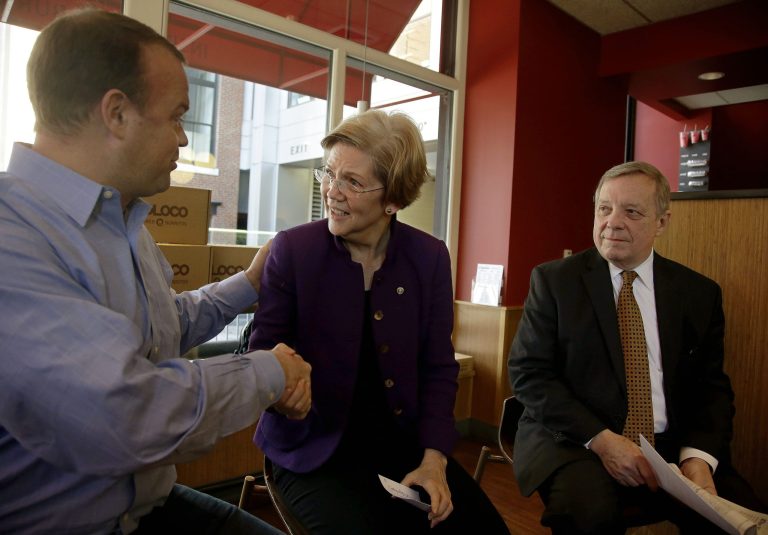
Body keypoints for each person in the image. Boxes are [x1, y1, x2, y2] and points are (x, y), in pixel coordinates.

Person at [0, 8, 312, 535]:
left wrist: (249, 285)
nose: (184, 138)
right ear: (117, 114)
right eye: (176, 116)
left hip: (145, 508)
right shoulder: (13, 239)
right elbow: (121, 412)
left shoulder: (127, 223)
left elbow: (161, 325)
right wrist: (269, 373)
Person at [247, 109, 509, 534]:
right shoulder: (293, 250)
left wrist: (434, 460)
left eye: (352, 182)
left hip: (403, 447)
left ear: (394, 199)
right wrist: (280, 389)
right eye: (329, 174)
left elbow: (439, 369)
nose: (332, 191)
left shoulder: (429, 257)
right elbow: (263, 350)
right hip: (313, 451)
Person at [508, 161, 765, 534]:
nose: (612, 222)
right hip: (577, 442)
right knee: (588, 515)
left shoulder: (698, 294)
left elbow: (711, 388)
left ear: (662, 222)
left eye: (631, 211)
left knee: (744, 518)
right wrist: (603, 440)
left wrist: (698, 459)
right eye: (604, 208)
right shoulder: (554, 282)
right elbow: (529, 375)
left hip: (673, 447)